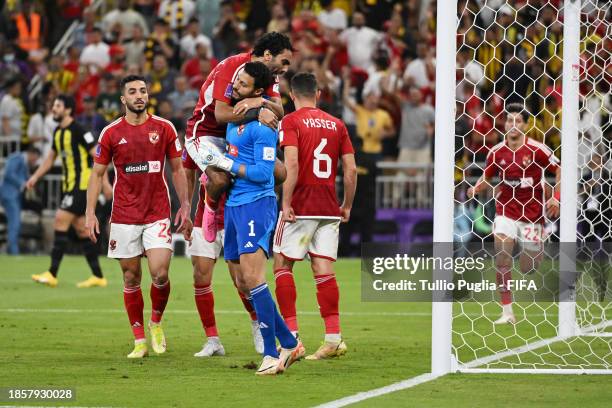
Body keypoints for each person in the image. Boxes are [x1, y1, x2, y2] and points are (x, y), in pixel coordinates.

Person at [195, 62, 303, 375]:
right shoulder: (236, 122)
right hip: (235, 206)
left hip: (257, 203)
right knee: (242, 280)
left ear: (257, 90)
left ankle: (271, 354)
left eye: (242, 84)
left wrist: (227, 164)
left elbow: (263, 173)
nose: (234, 86)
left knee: (255, 279)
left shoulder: (264, 128)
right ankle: (289, 341)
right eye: (236, 80)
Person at [85, 75, 192, 359]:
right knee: (131, 277)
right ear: (123, 99)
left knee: (160, 272)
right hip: (123, 214)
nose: (139, 95)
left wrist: (185, 205)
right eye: (132, 92)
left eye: (142, 90)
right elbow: (97, 174)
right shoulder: (110, 133)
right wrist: (90, 213)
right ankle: (139, 339)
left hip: (157, 212)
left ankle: (155, 322)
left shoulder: (164, 127)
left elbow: (178, 170)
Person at [272, 72, 357, 359]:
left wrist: (286, 202)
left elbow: (292, 163)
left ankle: (292, 339)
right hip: (329, 208)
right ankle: (333, 338)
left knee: (282, 265)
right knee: (324, 271)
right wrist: (346, 205)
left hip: (301, 205)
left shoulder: (291, 121)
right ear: (318, 94)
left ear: (292, 95)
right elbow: (351, 170)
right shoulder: (337, 124)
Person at [184, 31, 293, 244]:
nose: (286, 68)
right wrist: (257, 111)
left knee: (280, 173)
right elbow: (221, 114)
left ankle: (252, 204)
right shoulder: (231, 66)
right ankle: (210, 208)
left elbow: (280, 111)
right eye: (284, 61)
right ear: (268, 55)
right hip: (206, 131)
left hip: (235, 131)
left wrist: (258, 103)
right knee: (220, 180)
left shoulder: (269, 76)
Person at [468, 103, 561, 324]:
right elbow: (487, 176)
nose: (513, 125)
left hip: (533, 214)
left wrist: (556, 197)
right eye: (509, 120)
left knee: (528, 269)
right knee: (501, 257)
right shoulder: (496, 151)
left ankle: (539, 241)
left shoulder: (538, 149)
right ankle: (507, 311)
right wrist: (477, 187)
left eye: (518, 121)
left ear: (526, 125)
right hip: (506, 212)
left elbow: (559, 168)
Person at [182, 149, 264, 357]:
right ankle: (212, 340)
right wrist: (186, 210)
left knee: (243, 281)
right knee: (200, 277)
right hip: (204, 217)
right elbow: (188, 174)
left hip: (234, 216)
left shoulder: (236, 136)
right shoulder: (196, 142)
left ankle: (257, 324)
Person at [26, 95, 110, 288]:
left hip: (82, 186)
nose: (53, 108)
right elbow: (49, 159)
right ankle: (97, 276)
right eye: (53, 105)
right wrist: (35, 177)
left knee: (60, 219)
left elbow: (99, 157)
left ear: (68, 110)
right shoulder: (58, 131)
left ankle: (52, 273)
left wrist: (104, 183)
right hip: (69, 186)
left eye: (57, 106)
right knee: (81, 228)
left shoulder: (80, 130)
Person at [0, 147, 41, 254]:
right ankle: (13, 252)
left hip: (15, 196)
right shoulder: (17, 158)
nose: (34, 161)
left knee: (14, 223)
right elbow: (8, 173)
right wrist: (22, 184)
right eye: (35, 159)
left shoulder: (24, 163)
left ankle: (11, 250)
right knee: (15, 223)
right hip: (9, 195)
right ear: (31, 154)